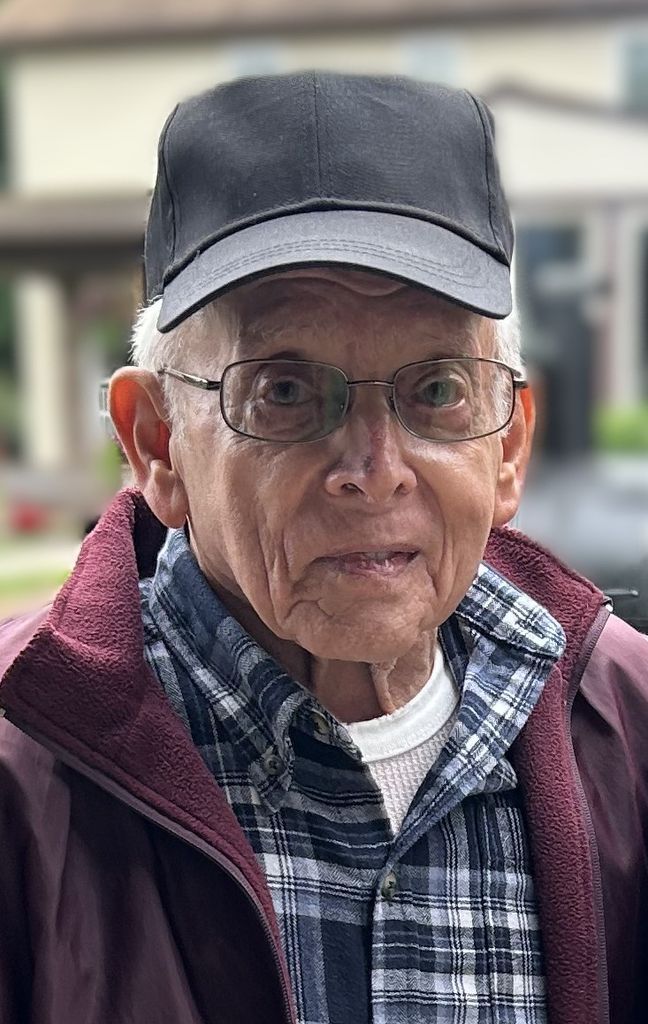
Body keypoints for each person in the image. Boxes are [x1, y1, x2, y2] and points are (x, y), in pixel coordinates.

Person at [0, 72, 646, 1024]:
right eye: (286, 393)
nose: (373, 471)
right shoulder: (23, 767)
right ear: (157, 444)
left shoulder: (630, 731)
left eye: (437, 390)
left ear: (508, 445)